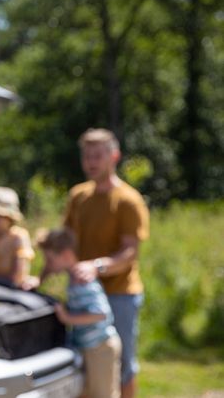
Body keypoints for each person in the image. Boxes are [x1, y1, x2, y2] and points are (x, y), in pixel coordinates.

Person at [63, 128, 149, 398]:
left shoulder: (128, 200)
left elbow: (129, 254)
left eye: (97, 155)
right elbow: (66, 242)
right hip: (83, 293)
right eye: (87, 156)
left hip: (119, 293)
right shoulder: (78, 196)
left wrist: (95, 267)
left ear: (114, 156)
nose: (91, 162)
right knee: (84, 361)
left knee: (122, 364)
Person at [38, 228, 122, 398]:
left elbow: (101, 313)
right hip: (87, 346)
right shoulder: (72, 278)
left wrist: (67, 318)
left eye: (50, 259)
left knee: (103, 394)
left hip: (100, 347)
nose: (48, 263)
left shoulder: (82, 279)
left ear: (67, 255)